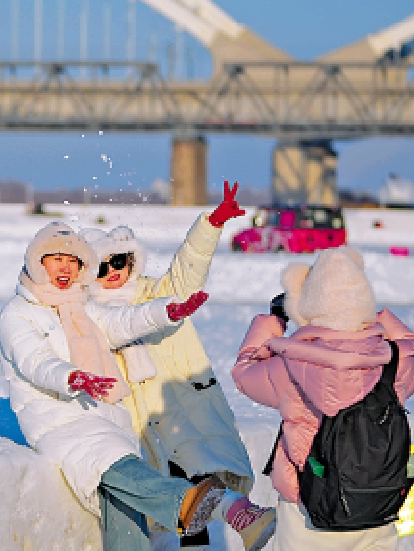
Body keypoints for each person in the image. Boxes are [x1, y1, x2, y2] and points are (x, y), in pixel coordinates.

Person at [0, 222, 238, 551]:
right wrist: (72, 376)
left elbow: (120, 321)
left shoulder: (80, 305)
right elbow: (35, 360)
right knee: (114, 464)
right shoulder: (17, 314)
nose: (65, 268)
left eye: (73, 261)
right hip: (59, 420)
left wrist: (166, 311)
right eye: (56, 259)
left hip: (105, 414)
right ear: (38, 263)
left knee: (124, 502)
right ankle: (181, 502)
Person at [79, 181, 275, 551]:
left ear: (131, 259)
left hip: (180, 408)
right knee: (169, 500)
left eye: (118, 261)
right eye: (102, 267)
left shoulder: (154, 292)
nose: (113, 271)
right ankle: (237, 519)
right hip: (138, 420)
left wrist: (211, 225)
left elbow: (187, 274)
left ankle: (242, 520)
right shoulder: (89, 315)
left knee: (197, 480)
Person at [232, 248, 414, 551]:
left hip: (308, 510)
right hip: (376, 508)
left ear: (308, 305)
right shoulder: (392, 363)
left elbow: (244, 371)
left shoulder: (290, 365)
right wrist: (376, 317)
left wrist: (274, 320)